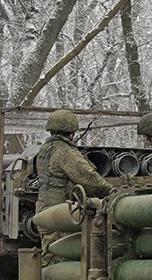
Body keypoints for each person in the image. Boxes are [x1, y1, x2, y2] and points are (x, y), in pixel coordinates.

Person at [37, 109, 112, 266]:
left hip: (45, 211)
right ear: (71, 133)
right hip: (61, 214)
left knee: (49, 257)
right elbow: (90, 180)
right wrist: (112, 192)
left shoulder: (45, 149)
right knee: (62, 262)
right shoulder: (65, 152)